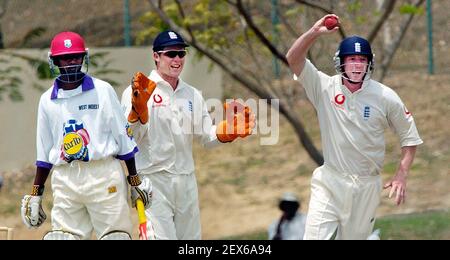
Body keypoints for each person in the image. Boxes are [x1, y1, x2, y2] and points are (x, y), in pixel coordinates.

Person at [286, 15, 423, 240]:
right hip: (329, 182)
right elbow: (293, 58)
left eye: (362, 59)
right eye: (352, 59)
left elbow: (409, 137)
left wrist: (401, 174)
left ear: (369, 63)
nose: (357, 64)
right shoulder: (323, 86)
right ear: (341, 61)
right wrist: (314, 32)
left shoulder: (385, 96)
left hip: (367, 186)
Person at [121, 30, 256, 240]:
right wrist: (137, 114)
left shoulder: (192, 94)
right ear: (156, 56)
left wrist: (226, 132)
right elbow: (129, 140)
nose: (177, 59)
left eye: (181, 54)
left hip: (186, 181)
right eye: (171, 54)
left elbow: (205, 137)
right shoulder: (137, 92)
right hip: (153, 181)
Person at [20, 31, 152, 240]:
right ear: (54, 61)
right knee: (63, 237)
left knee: (114, 237)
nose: (71, 62)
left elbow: (123, 140)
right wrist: (36, 193)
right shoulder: (47, 101)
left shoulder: (103, 90)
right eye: (65, 57)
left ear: (84, 57)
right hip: (66, 180)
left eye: (76, 57)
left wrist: (134, 180)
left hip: (103, 175)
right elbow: (44, 154)